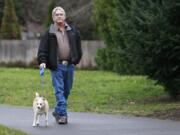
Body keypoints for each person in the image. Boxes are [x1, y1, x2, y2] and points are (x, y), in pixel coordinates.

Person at [37, 6, 82, 124]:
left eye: (61, 14)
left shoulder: (73, 31)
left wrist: (76, 60)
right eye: (56, 14)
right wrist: (42, 61)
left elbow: (78, 47)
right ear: (53, 17)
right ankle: (62, 115)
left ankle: (57, 110)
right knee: (59, 90)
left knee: (67, 91)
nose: (59, 16)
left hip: (70, 66)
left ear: (65, 16)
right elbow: (42, 49)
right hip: (56, 66)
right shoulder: (49, 33)